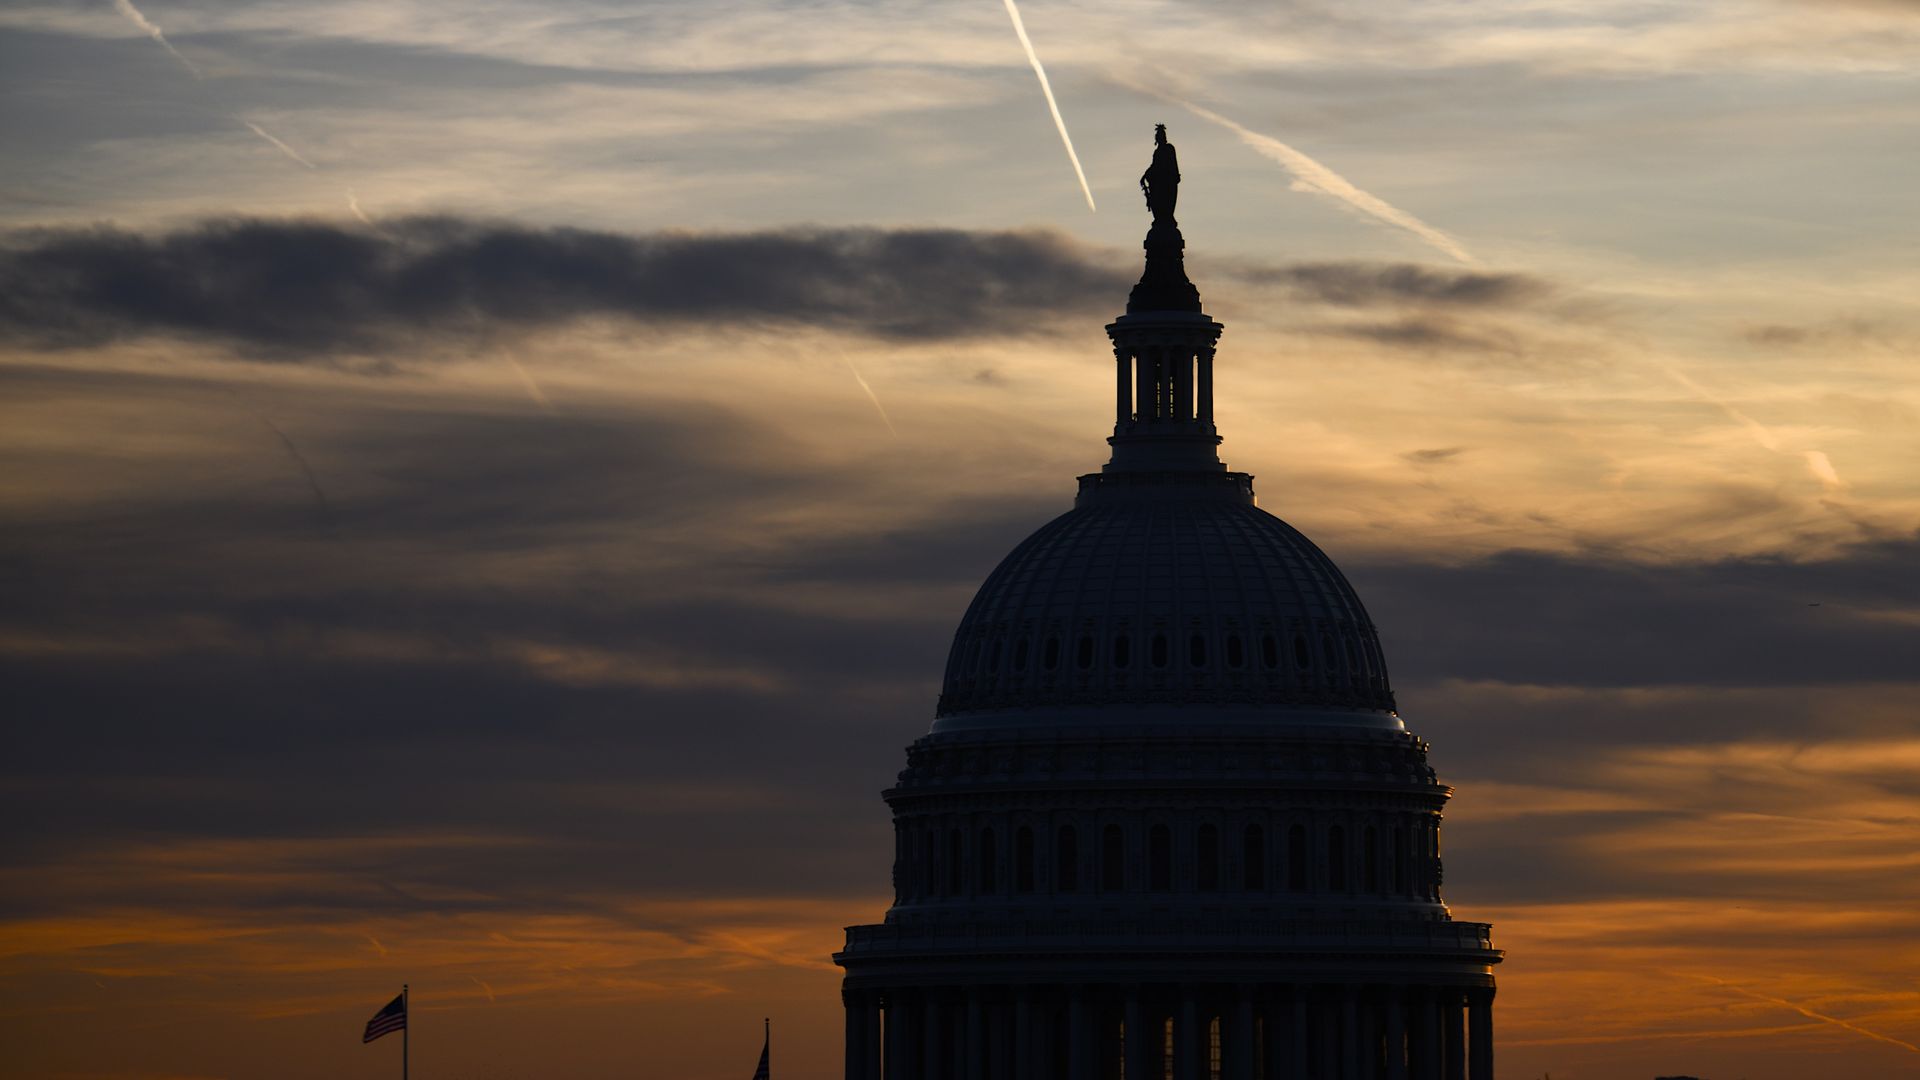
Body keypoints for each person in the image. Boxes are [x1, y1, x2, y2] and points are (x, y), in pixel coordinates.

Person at [1140, 124, 1179, 221]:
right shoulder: (1157, 152)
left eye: (1162, 136)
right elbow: (1154, 166)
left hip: (1167, 182)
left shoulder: (1169, 148)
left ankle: (1166, 219)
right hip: (1158, 183)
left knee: (1166, 204)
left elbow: (1172, 165)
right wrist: (1145, 175)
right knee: (1157, 205)